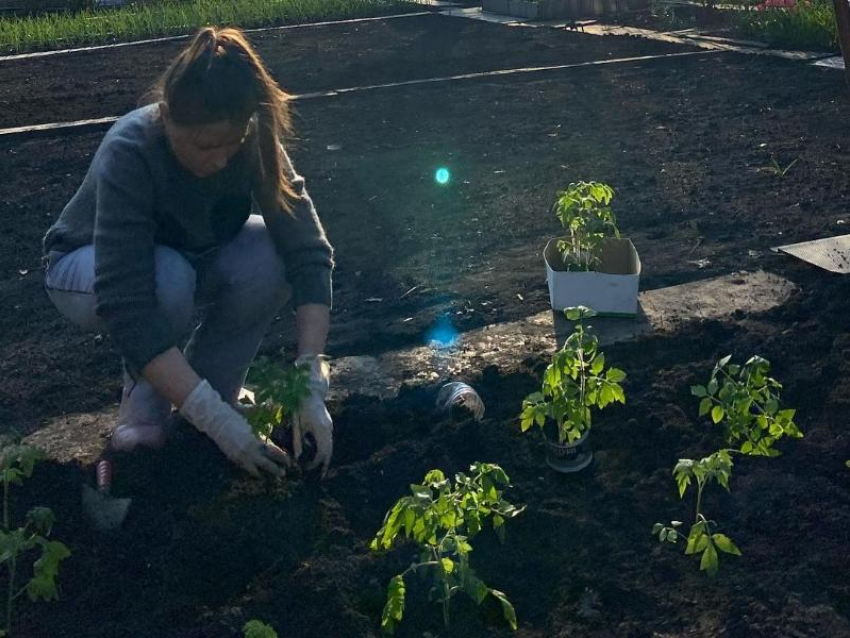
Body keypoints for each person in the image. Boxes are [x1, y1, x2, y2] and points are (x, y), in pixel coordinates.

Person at [41, 27, 334, 478]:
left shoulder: (252, 141)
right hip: (83, 268)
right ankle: (144, 418)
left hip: (186, 259)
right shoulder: (132, 150)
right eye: (204, 146)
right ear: (166, 117)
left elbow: (308, 252)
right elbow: (127, 303)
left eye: (230, 143)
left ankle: (214, 393)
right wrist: (217, 423)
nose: (220, 159)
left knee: (271, 256)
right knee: (167, 277)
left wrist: (312, 379)